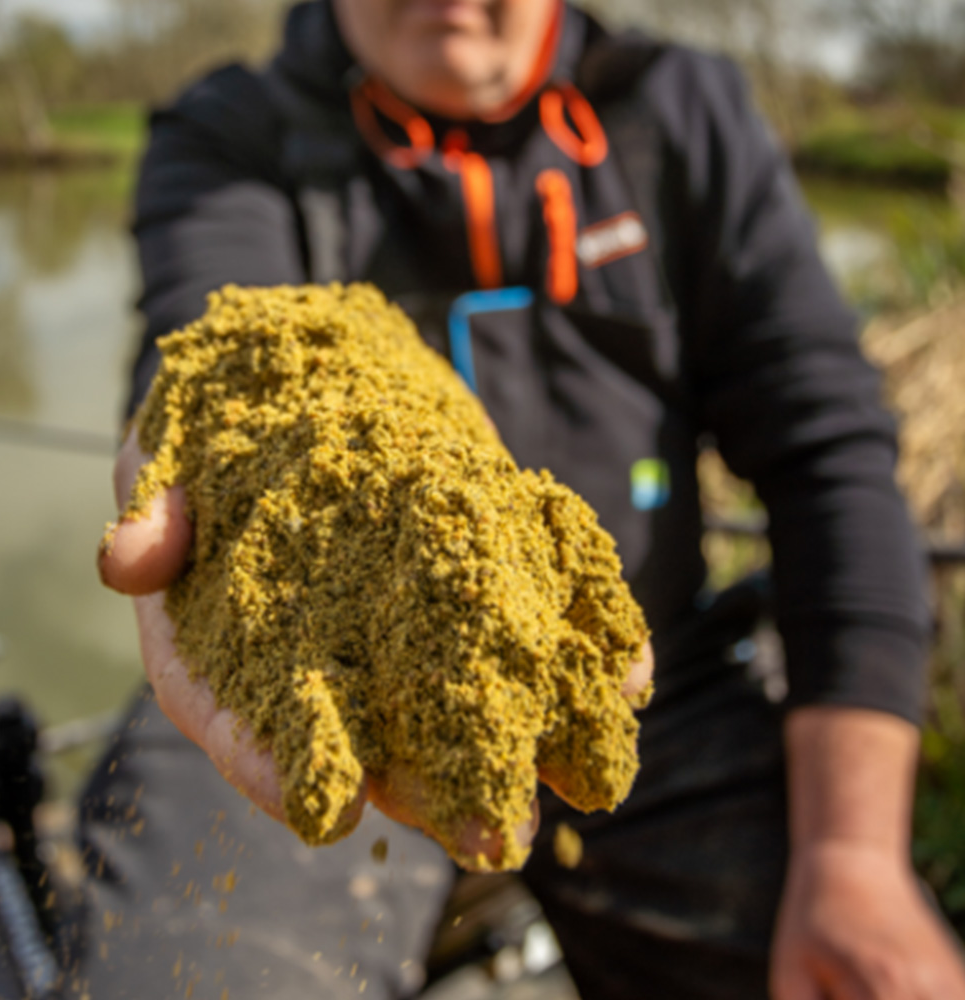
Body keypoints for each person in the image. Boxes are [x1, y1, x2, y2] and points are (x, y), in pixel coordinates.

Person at [91, 1, 965, 997]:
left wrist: (853, 853)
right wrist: (203, 429)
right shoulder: (233, 129)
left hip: (643, 682)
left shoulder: (679, 108)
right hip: (314, 685)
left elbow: (829, 455)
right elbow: (214, 334)